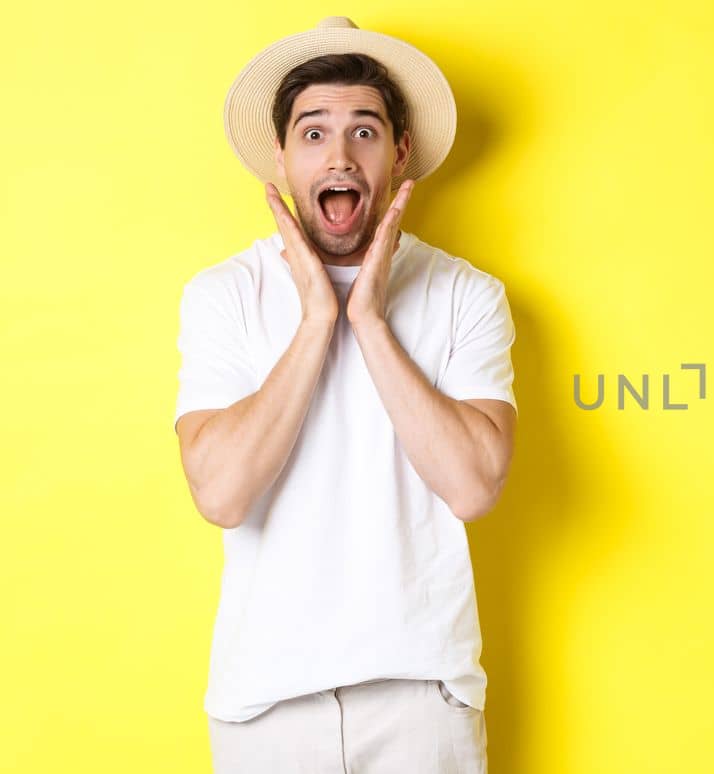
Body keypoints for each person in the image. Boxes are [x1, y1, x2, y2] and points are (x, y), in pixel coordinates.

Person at [173, 17, 513, 773]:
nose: (340, 154)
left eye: (364, 132)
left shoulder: (467, 294)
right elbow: (222, 494)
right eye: (314, 132)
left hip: (423, 702)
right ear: (283, 157)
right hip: (266, 707)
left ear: (400, 153)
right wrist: (319, 320)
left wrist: (369, 321)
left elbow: (474, 485)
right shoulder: (223, 295)